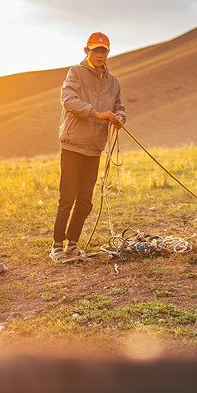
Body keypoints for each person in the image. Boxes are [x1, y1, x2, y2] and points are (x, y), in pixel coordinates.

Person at [50, 32, 126, 263]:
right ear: (87, 51)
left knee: (85, 200)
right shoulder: (75, 73)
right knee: (67, 197)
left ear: (108, 53)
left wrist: (120, 118)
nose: (100, 55)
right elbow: (68, 101)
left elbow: (120, 107)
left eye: (103, 51)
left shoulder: (113, 82)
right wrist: (96, 113)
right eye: (96, 50)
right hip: (73, 144)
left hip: (94, 147)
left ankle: (72, 245)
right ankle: (56, 246)